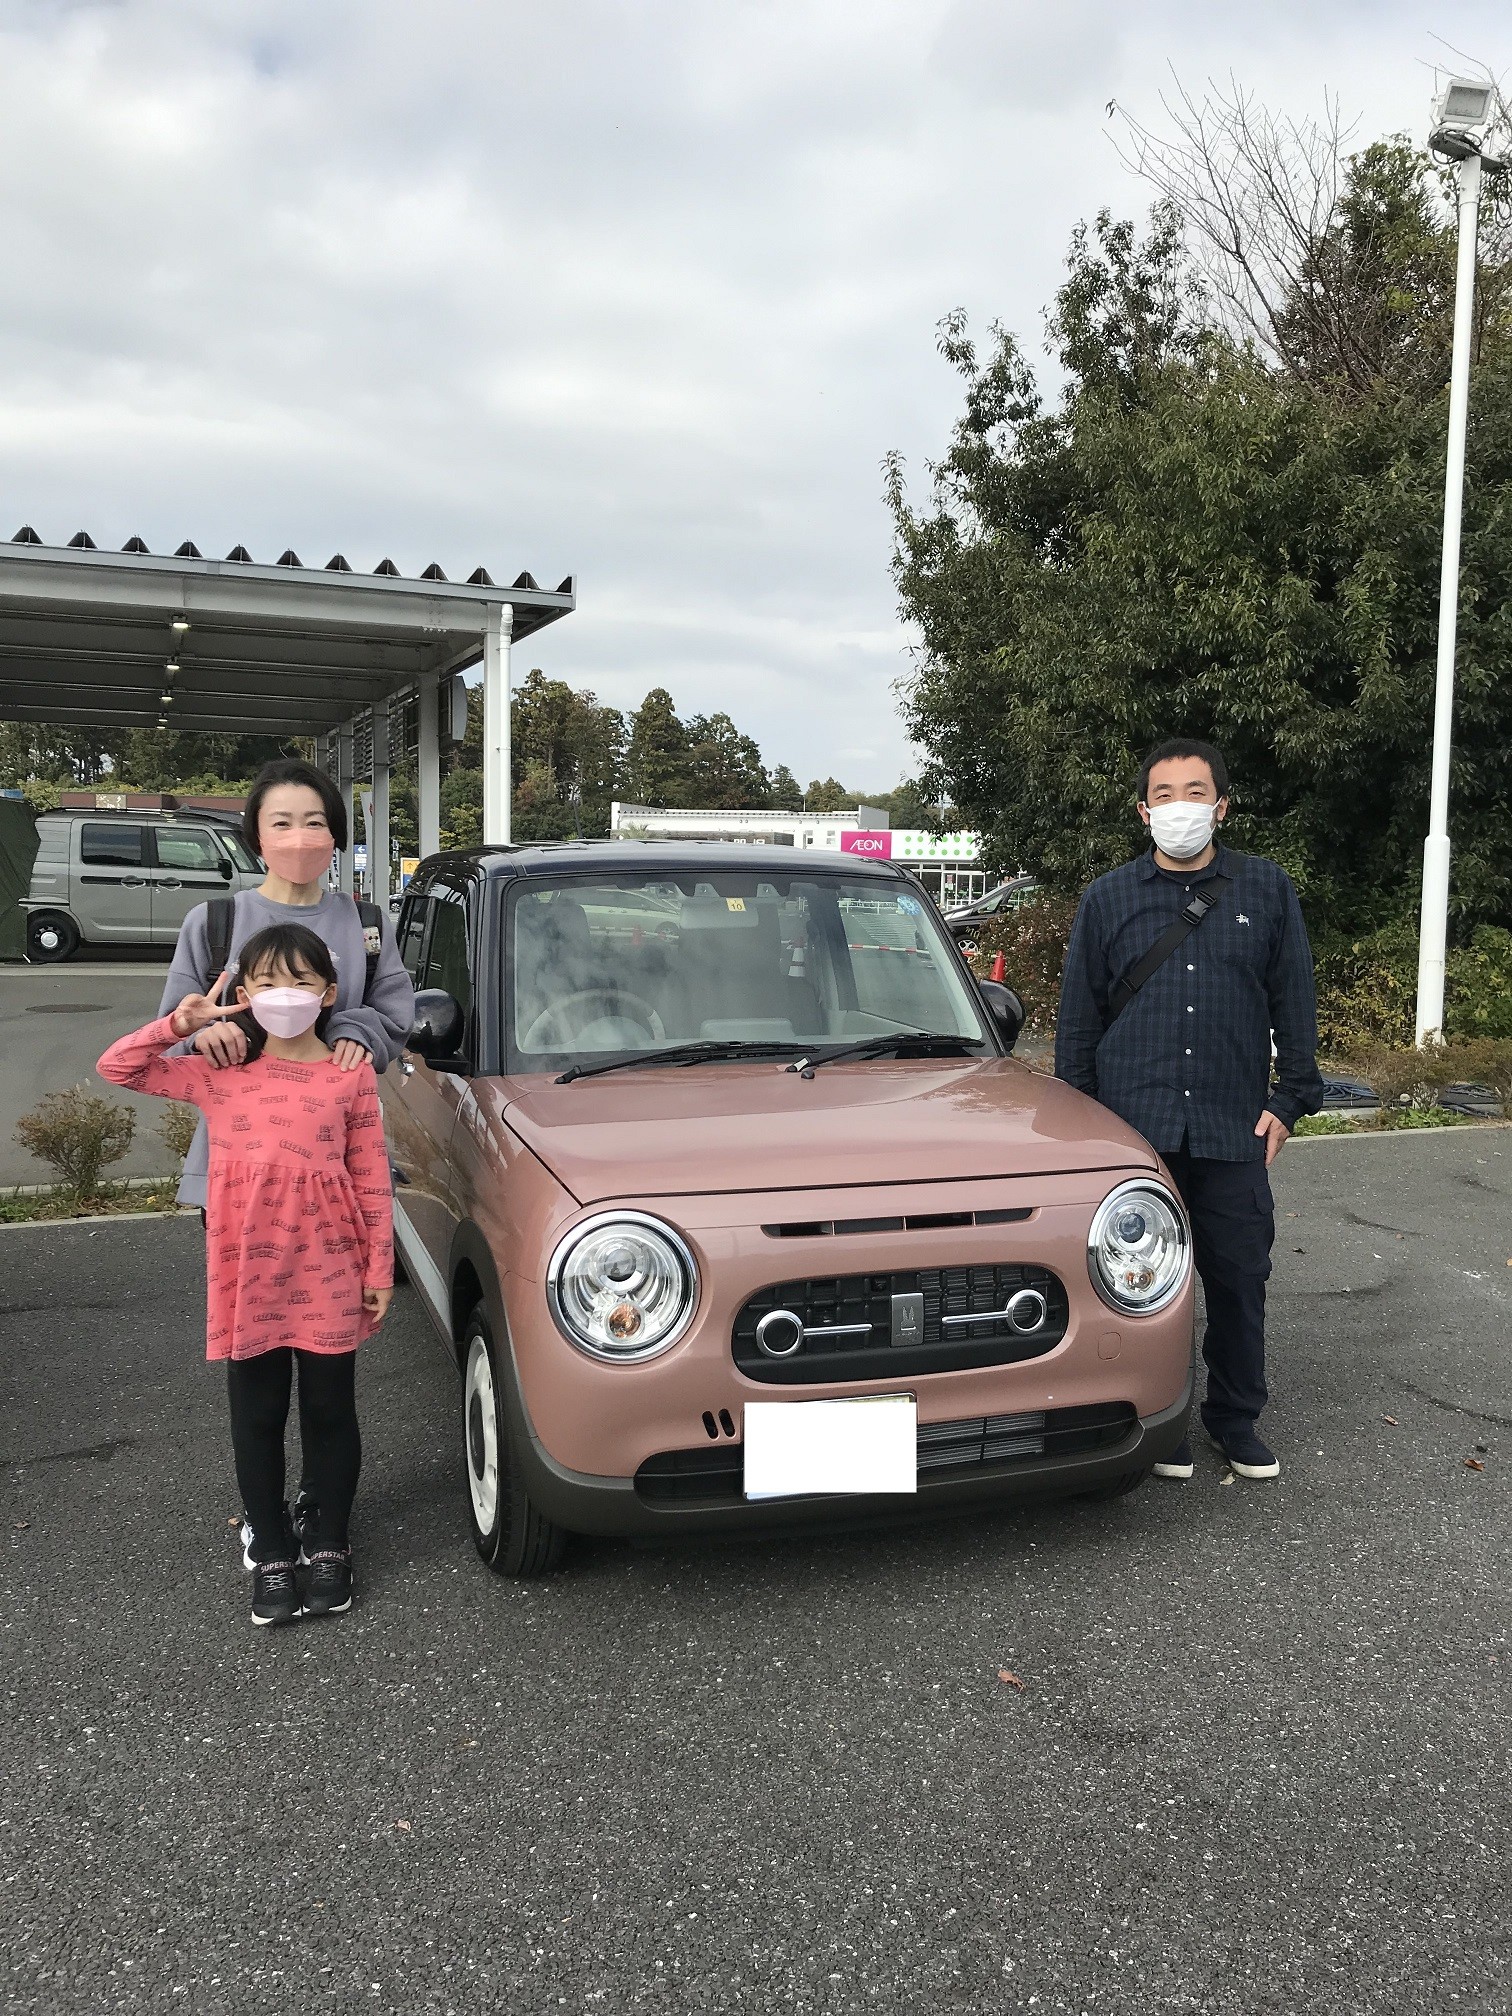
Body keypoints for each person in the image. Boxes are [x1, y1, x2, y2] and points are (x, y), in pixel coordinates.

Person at [100, 924, 394, 1626]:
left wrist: (380, 1265)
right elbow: (119, 1068)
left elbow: (371, 1175)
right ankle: (270, 1548)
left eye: (300, 981)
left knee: (330, 1412)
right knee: (257, 1415)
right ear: (244, 992)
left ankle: (329, 1541)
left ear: (328, 993)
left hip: (330, 1269)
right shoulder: (221, 1072)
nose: (283, 994)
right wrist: (180, 1025)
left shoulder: (349, 1072)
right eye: (266, 981)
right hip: (248, 1276)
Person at [159, 757, 413, 1556]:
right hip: (241, 1176)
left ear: (336, 835)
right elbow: (173, 1026)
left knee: (329, 1372)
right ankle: (266, 1525)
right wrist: (204, 1033)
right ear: (255, 836)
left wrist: (355, 1034)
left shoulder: (365, 923)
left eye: (315, 822)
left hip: (331, 1170)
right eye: (282, 823)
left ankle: (322, 1511)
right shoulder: (215, 923)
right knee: (258, 1364)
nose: (300, 838)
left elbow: (393, 1011)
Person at [1054, 737, 1323, 1482]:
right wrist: (1084, 1126)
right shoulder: (1108, 898)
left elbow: (1294, 1000)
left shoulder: (1265, 889)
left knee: (1239, 1277)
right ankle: (1159, 1419)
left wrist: (1291, 1099)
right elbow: (1078, 1024)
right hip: (1133, 1134)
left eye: (1195, 793)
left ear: (1221, 806)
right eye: (1164, 795)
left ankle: (1234, 1418)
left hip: (1232, 1126)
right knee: (1139, 1283)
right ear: (1144, 812)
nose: (1181, 807)